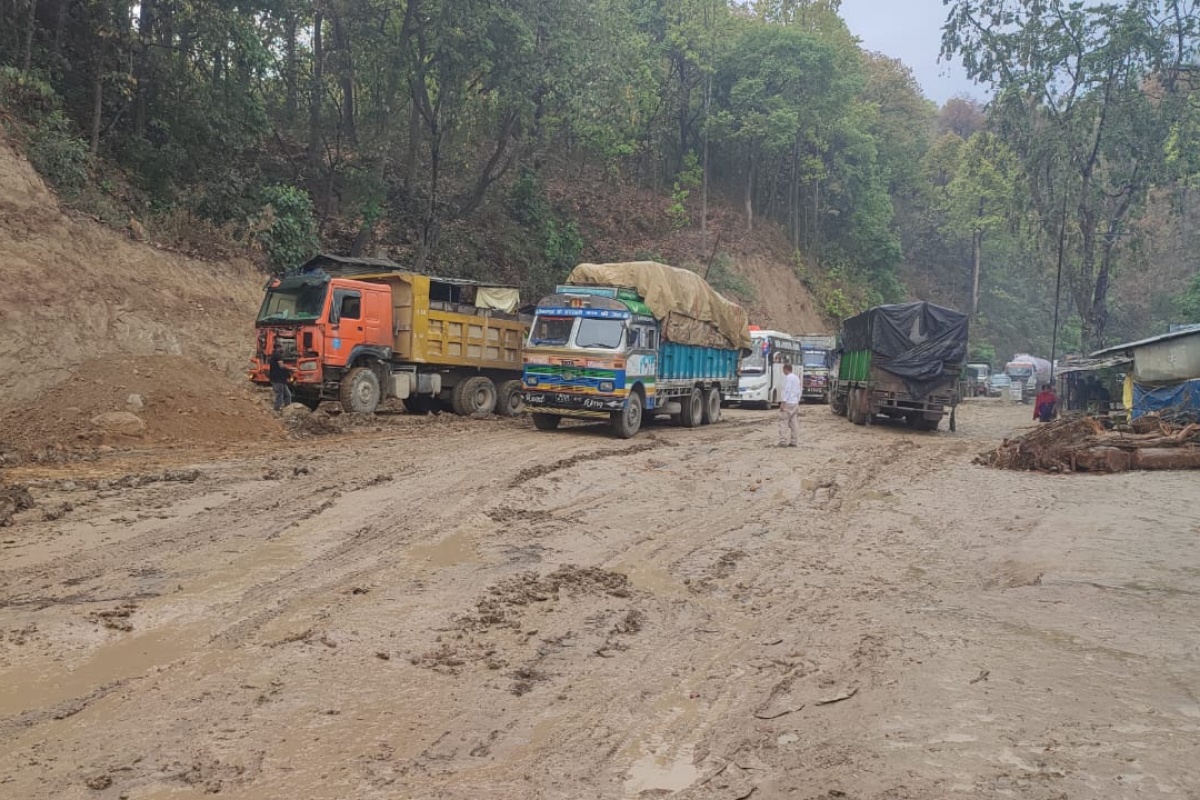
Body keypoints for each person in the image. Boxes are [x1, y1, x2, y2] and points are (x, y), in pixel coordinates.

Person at [777, 362, 802, 447]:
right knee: (794, 422)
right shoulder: (796, 378)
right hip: (795, 402)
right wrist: (798, 400)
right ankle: (794, 441)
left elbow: (787, 390)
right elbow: (799, 390)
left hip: (788, 402)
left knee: (783, 421)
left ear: (785, 369)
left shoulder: (788, 378)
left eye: (783, 369)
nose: (783, 371)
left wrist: (783, 402)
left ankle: (783, 441)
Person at [268, 343, 294, 411]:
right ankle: (276, 409)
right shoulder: (277, 355)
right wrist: (291, 369)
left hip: (280, 380)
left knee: (287, 395)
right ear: (278, 348)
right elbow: (281, 366)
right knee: (280, 395)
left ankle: (287, 409)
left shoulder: (274, 354)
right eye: (282, 347)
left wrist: (287, 376)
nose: (283, 349)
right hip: (278, 380)